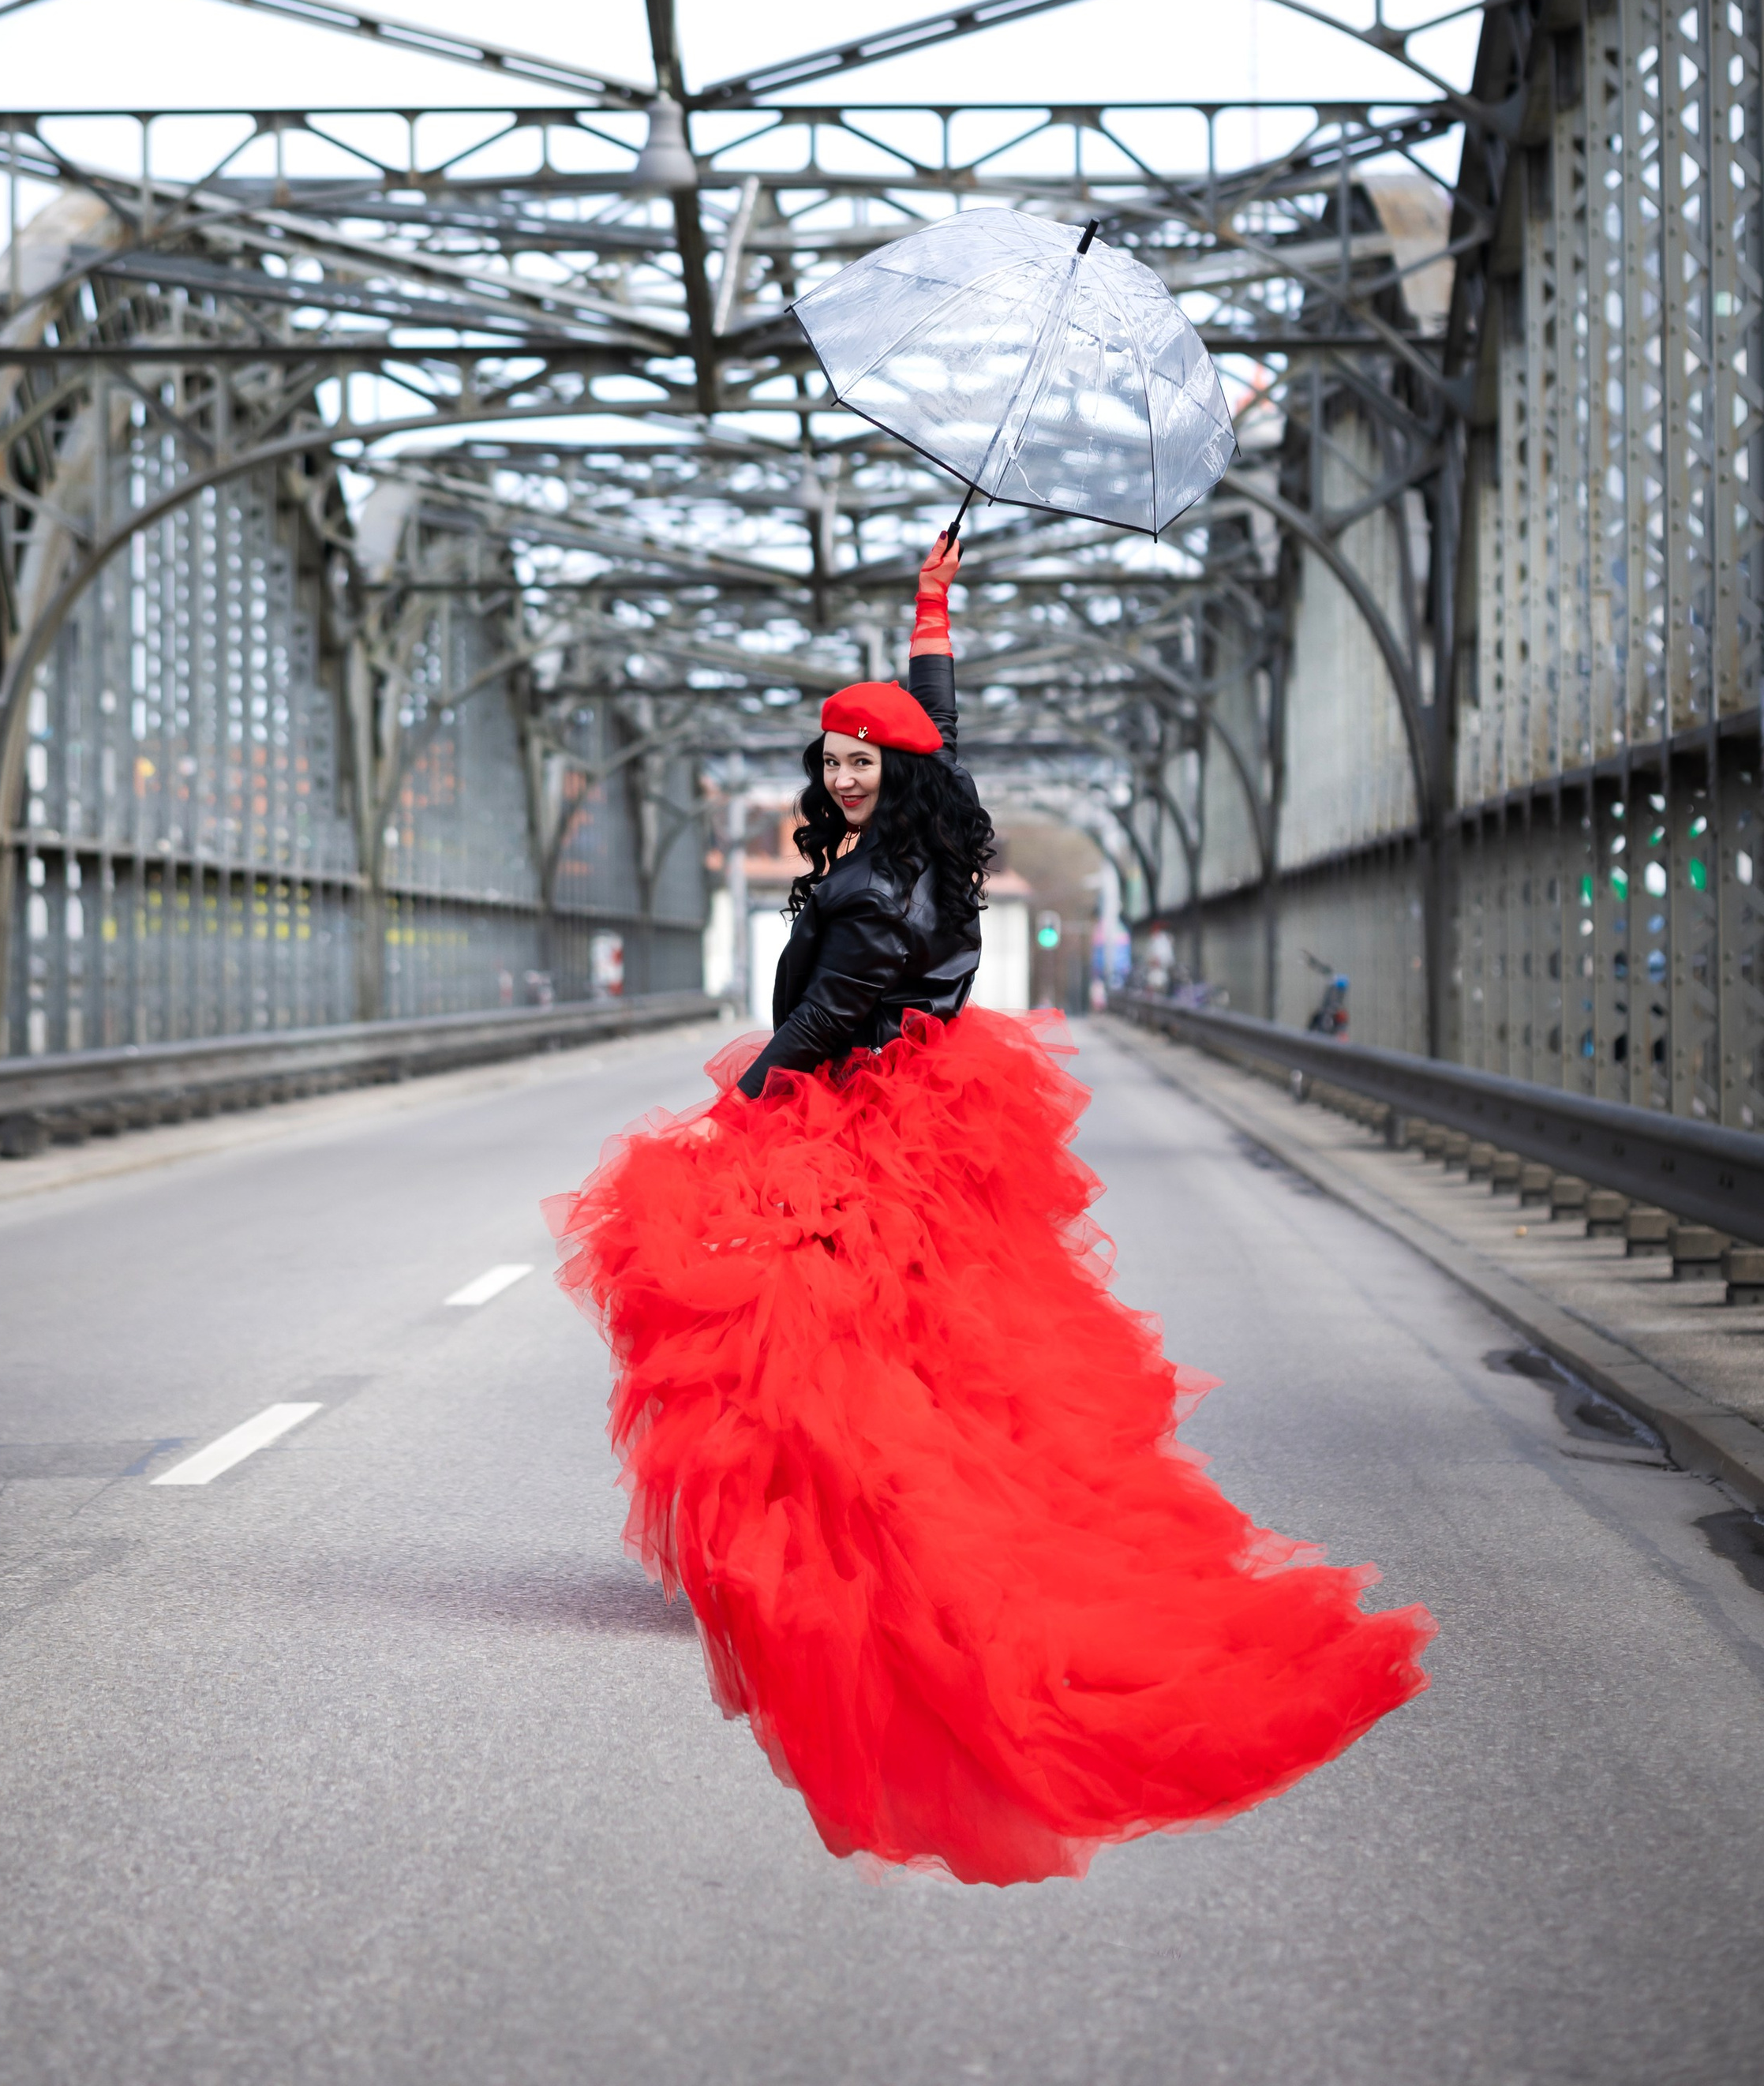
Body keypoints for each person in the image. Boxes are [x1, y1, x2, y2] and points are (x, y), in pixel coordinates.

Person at [547, 535, 1432, 1888]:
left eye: (864, 759)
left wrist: (737, 1115)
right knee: (909, 1342)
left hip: (854, 1118)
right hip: (931, 1115)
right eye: (834, 755)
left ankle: (839, 1549)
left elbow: (825, 1020)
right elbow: (937, 730)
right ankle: (875, 1524)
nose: (845, 772)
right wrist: (932, 609)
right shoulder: (931, 832)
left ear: (892, 777)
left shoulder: (867, 891)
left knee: (783, 1332)